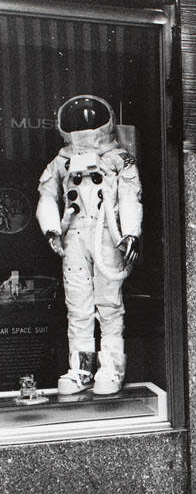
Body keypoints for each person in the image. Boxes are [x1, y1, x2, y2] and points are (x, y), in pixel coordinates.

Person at [36, 95, 142, 396]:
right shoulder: (62, 161)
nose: (83, 125)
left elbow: (129, 198)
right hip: (74, 236)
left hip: (107, 233)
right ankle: (81, 369)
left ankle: (111, 367)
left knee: (109, 305)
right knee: (78, 307)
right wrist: (52, 229)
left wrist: (131, 233)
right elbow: (47, 196)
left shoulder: (118, 159)